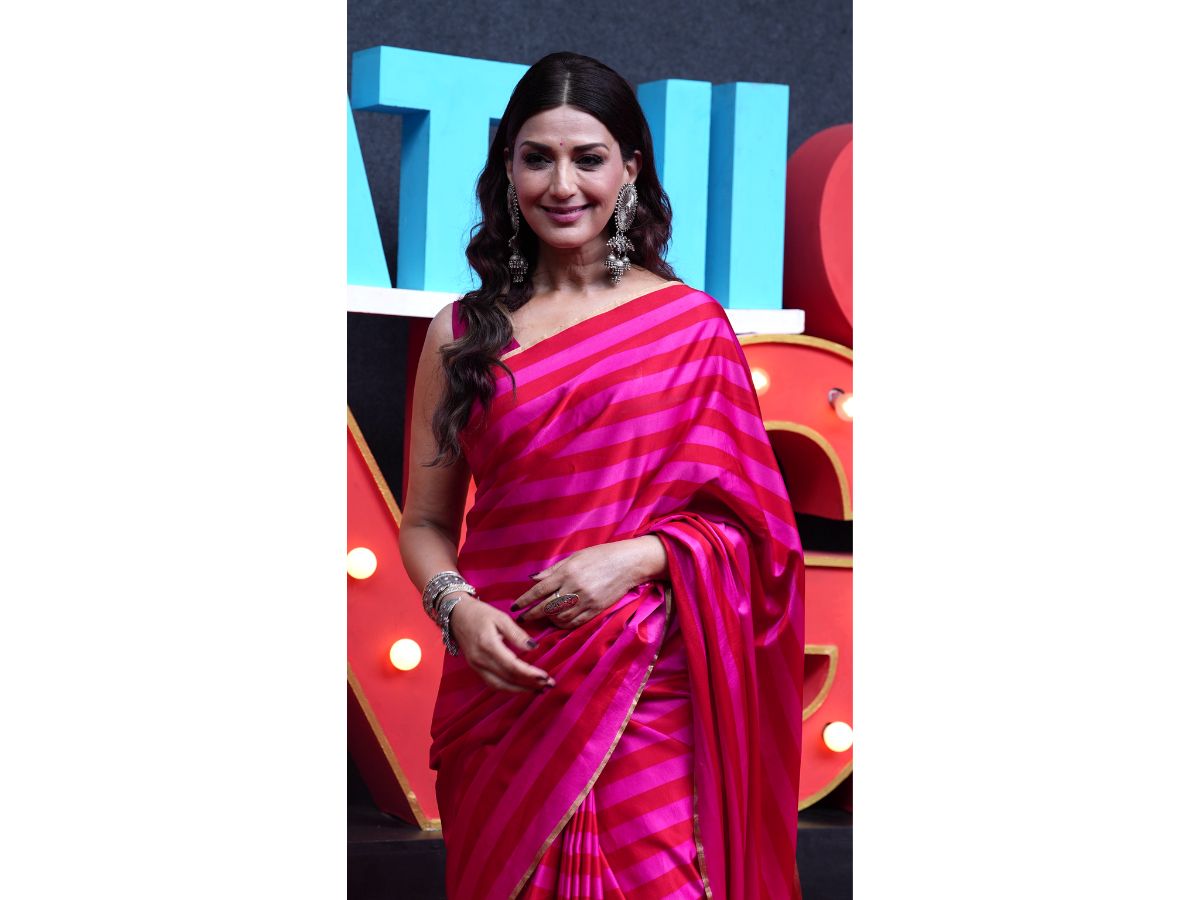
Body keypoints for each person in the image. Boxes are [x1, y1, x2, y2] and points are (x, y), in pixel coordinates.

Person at [398, 51, 806, 899]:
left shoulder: (690, 329)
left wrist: (640, 556)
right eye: (536, 158)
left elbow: (760, 533)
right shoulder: (461, 332)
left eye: (588, 158)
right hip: (502, 686)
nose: (562, 184)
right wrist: (457, 609)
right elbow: (425, 522)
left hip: (649, 690)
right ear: (507, 168)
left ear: (631, 169)